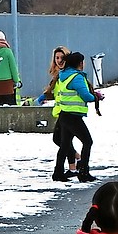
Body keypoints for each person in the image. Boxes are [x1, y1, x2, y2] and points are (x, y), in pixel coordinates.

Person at [52, 51, 97, 183]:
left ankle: (58, 172)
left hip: (64, 114)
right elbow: (86, 96)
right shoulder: (76, 77)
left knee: (65, 145)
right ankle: (83, 172)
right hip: (73, 117)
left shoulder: (63, 75)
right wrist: (96, 97)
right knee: (88, 142)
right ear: (80, 63)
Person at [42, 46, 77, 175]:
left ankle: (72, 166)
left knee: (63, 140)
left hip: (69, 111)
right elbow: (54, 91)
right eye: (57, 58)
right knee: (62, 140)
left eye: (62, 57)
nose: (59, 60)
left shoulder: (68, 73)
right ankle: (74, 161)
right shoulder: (57, 74)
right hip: (61, 110)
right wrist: (44, 97)